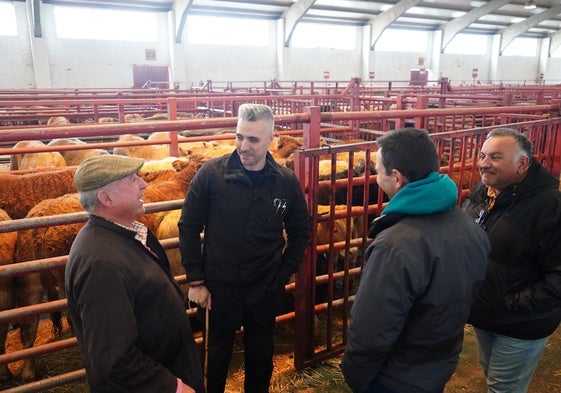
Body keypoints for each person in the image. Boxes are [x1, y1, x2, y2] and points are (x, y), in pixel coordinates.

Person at [341, 128, 490, 393]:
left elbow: (372, 329)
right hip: (438, 363)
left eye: (378, 171)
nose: (376, 178)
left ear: (396, 178)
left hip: (395, 377)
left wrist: (356, 374)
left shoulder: (395, 245)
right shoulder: (469, 227)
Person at [178, 103, 310, 393]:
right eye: (239, 136)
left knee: (261, 357)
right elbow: (188, 226)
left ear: (271, 141)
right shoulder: (212, 174)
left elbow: (301, 231)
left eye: (253, 139)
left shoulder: (285, 182)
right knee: (215, 357)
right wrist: (197, 280)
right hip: (217, 288)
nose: (243, 146)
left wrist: (283, 273)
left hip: (264, 287)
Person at [65, 154, 205, 393]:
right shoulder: (99, 264)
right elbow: (114, 358)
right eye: (132, 179)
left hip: (167, 366)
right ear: (106, 198)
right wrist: (173, 388)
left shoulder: (128, 234)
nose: (144, 184)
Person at [462, 127, 561, 392]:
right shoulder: (483, 192)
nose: (484, 163)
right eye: (482, 155)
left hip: (520, 323)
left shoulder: (550, 206)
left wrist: (514, 303)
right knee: (493, 376)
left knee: (503, 387)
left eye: (495, 157)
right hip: (485, 313)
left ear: (522, 163)